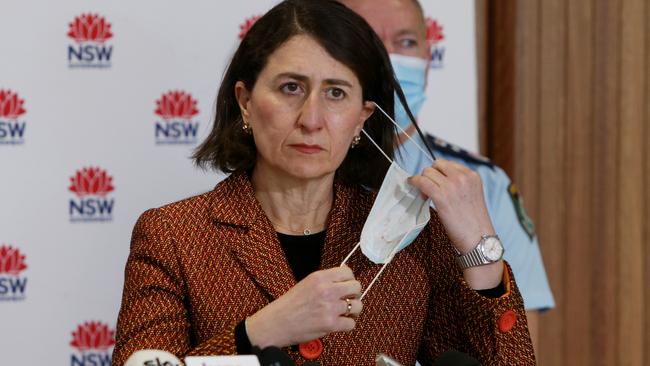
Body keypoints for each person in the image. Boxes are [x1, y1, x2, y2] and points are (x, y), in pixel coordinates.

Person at [113, 1, 535, 365]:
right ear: (245, 101)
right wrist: (259, 333)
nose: (311, 119)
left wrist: (481, 249)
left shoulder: (410, 238)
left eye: (336, 93)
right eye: (291, 87)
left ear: (362, 120)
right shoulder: (171, 235)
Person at [338, 0, 555, 348]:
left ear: (427, 62)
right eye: (370, 41)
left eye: (407, 43)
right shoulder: (300, 174)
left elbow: (520, 344)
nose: (391, 60)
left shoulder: (481, 183)